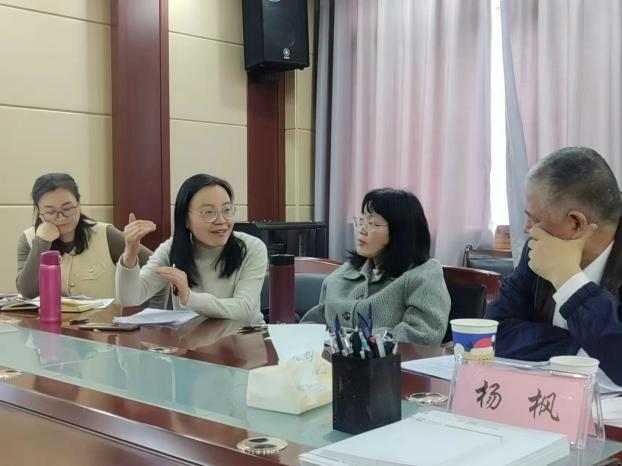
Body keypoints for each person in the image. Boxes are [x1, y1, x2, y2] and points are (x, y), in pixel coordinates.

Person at [485, 147, 622, 384]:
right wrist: (582, 352)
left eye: (534, 218)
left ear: (576, 223)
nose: (527, 228)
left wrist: (569, 280)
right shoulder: (537, 250)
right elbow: (494, 332)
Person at [300, 188, 451, 344]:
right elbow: (317, 321)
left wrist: (358, 341)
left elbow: (423, 335)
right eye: (361, 221)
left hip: (390, 359)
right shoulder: (347, 271)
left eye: (371, 223)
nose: (361, 230)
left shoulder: (423, 274)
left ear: (400, 231)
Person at [116, 174, 267, 322]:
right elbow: (130, 298)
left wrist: (190, 297)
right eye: (208, 212)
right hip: (192, 336)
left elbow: (243, 310)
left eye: (227, 210)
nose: (221, 220)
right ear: (185, 219)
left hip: (244, 336)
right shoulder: (172, 249)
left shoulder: (252, 248)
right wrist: (130, 254)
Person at [16, 173, 152, 299]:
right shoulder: (29, 239)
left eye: (67, 209)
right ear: (39, 212)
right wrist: (41, 242)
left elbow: (156, 268)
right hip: (48, 318)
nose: (61, 217)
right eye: (50, 212)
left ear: (78, 203)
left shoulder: (105, 234)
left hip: (105, 318)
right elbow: (27, 292)